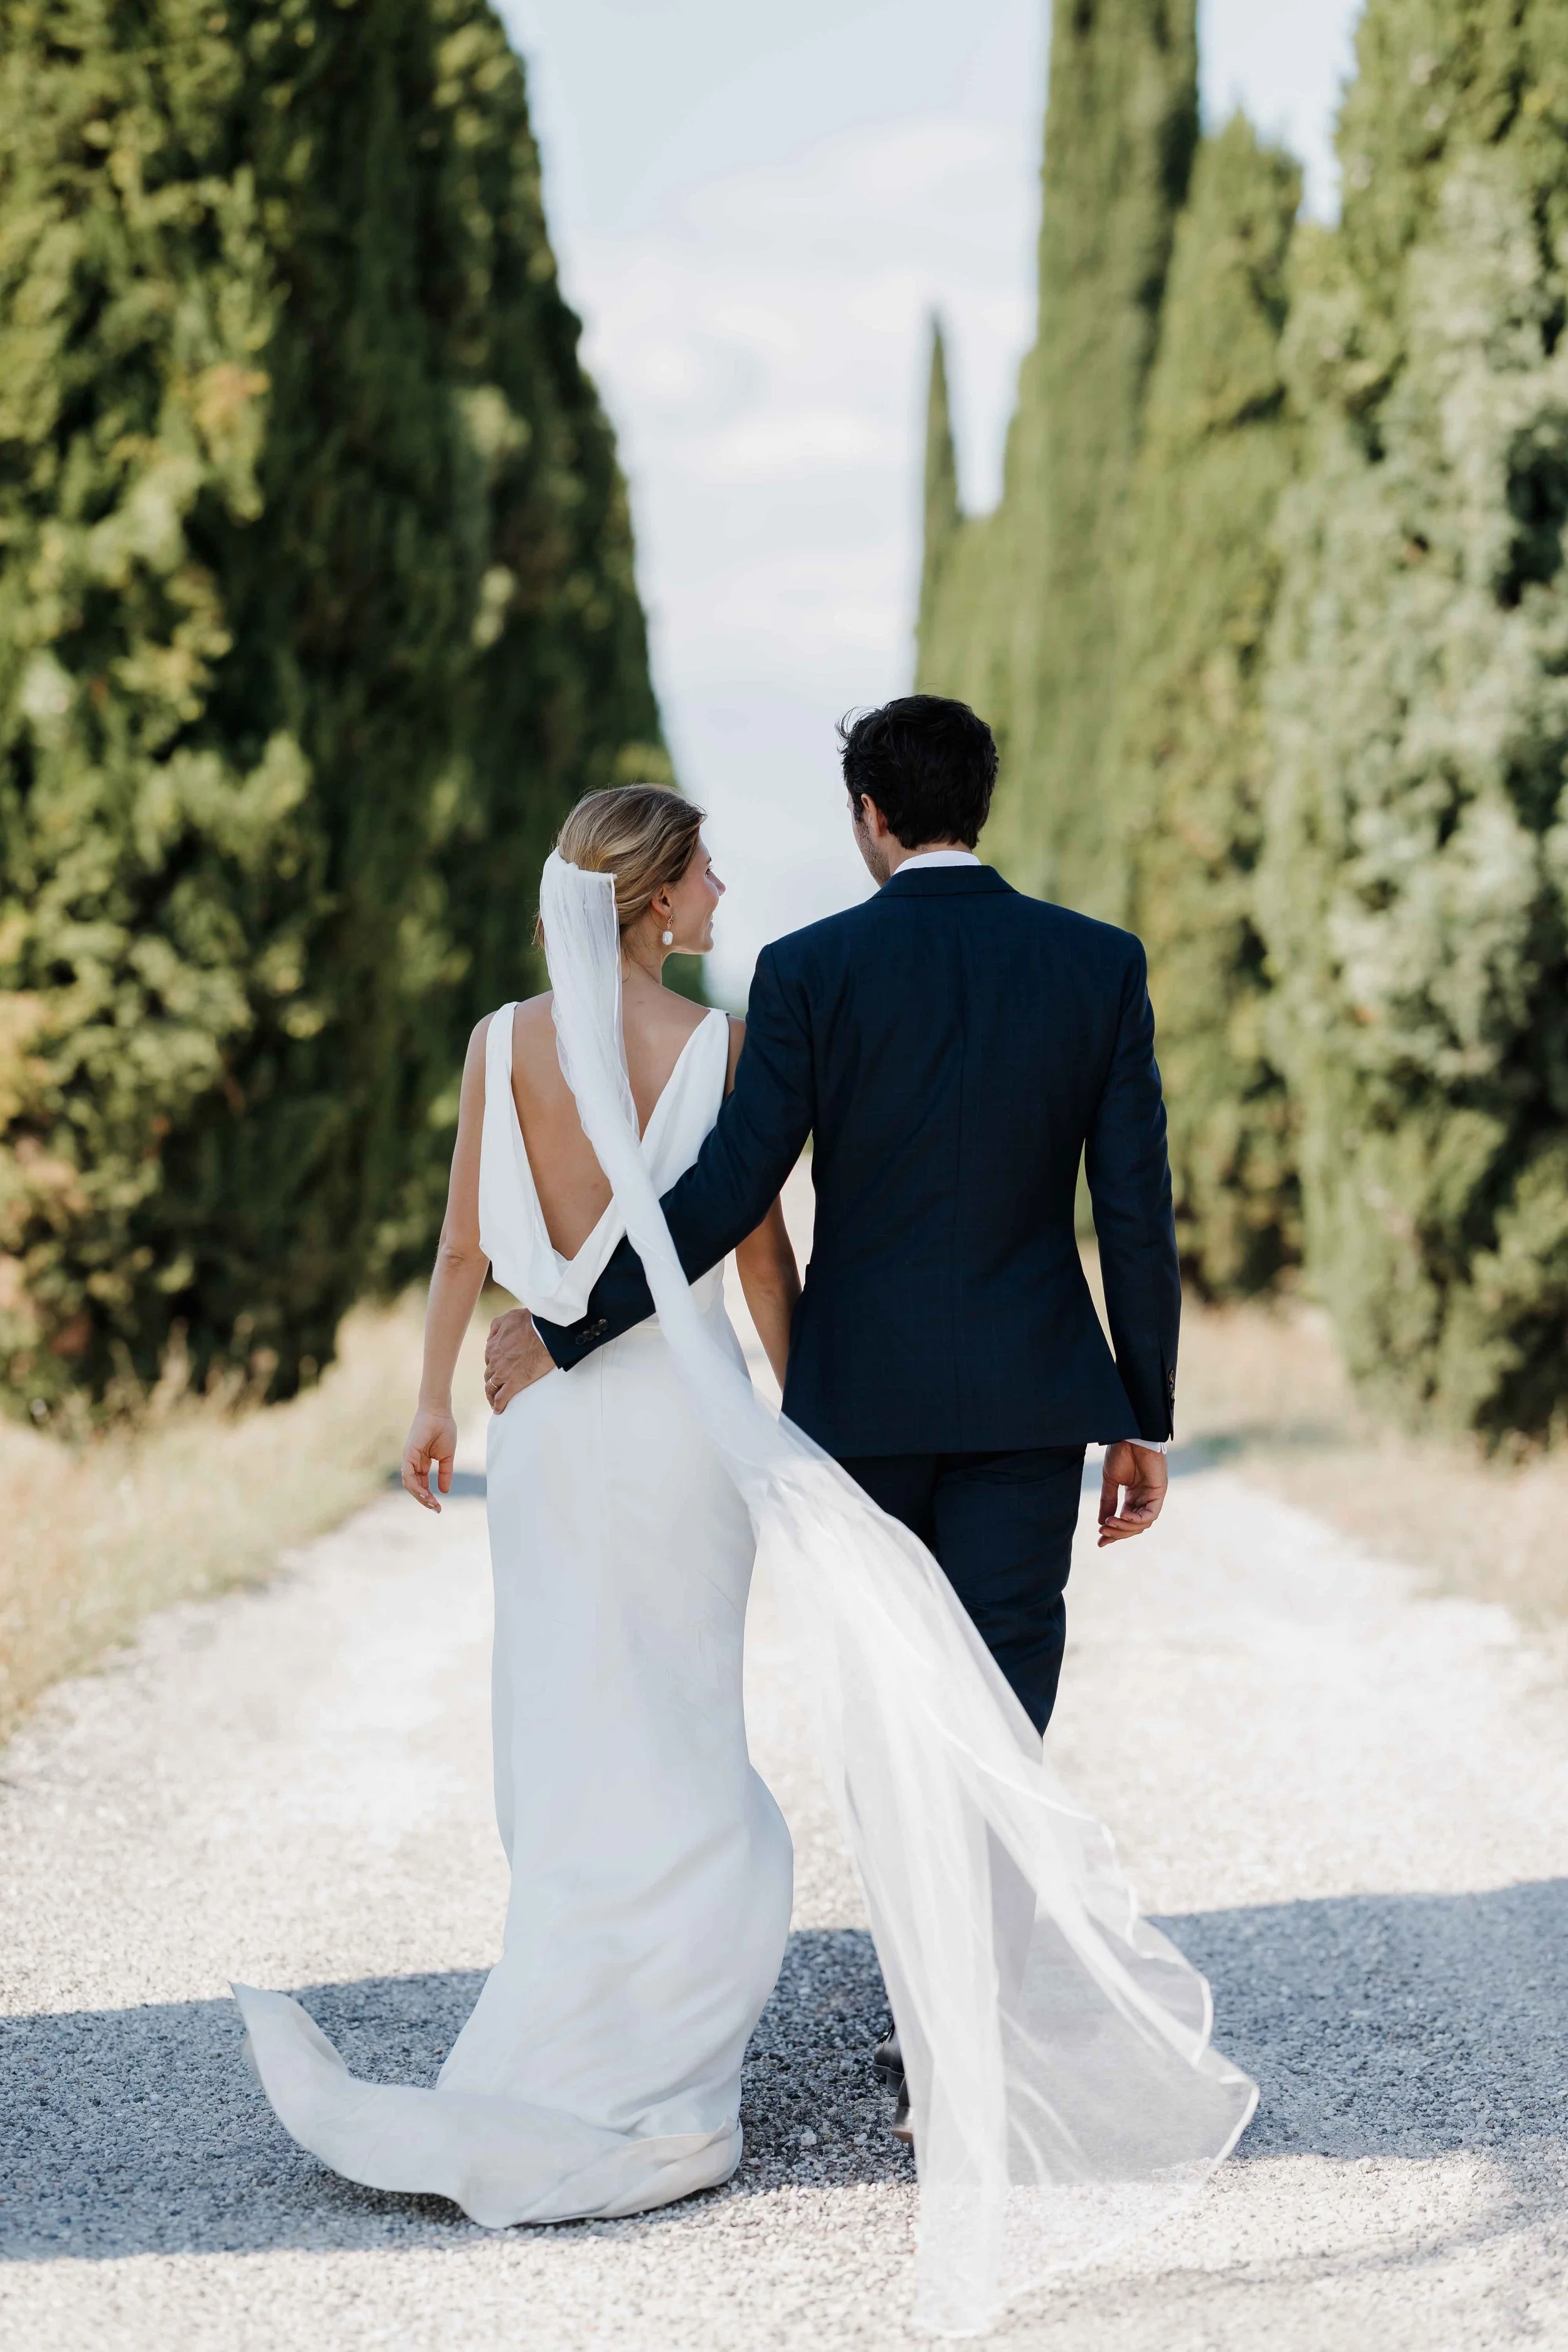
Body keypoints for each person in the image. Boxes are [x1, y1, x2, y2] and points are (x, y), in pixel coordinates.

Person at [483, 695, 1179, 2127]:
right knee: (999, 1698)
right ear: (975, 801)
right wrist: (1141, 1414)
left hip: (859, 1408)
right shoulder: (1094, 965)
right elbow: (1133, 1211)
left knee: (889, 1708)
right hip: (1029, 1399)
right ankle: (961, 2039)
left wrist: (571, 1324)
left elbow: (731, 1190)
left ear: (868, 817)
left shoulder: (808, 972)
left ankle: (933, 2011)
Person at [233, 786, 798, 2226]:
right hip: (676, 1428)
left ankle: (564, 2014)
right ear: (659, 899)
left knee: (566, 1720)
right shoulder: (715, 1048)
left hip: (534, 1432)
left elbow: (460, 1245)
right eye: (706, 871)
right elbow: (755, 1263)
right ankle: (661, 2039)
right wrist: (804, 1415)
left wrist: (429, 1401)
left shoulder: (498, 1043)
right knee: (680, 1716)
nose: (723, 891)